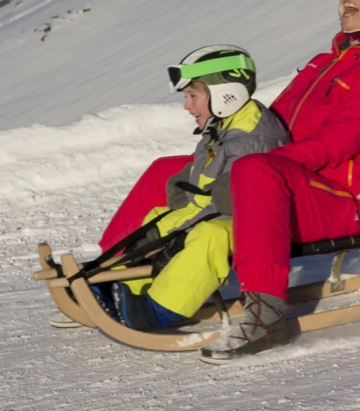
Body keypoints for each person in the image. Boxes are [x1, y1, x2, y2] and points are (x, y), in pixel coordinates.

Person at [199, 0, 360, 361]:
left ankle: (266, 314)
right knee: (174, 170)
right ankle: (118, 275)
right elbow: (272, 125)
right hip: (296, 183)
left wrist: (260, 165)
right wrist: (221, 146)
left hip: (345, 201)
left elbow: (342, 140)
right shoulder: (325, 62)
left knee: (253, 171)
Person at [100, 45, 290, 332]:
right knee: (158, 217)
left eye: (193, 96)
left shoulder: (253, 138)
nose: (187, 106)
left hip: (250, 225)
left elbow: (230, 204)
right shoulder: (225, 126)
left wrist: (179, 231)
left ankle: (159, 310)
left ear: (226, 94)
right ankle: (120, 285)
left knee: (206, 235)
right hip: (217, 212)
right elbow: (209, 181)